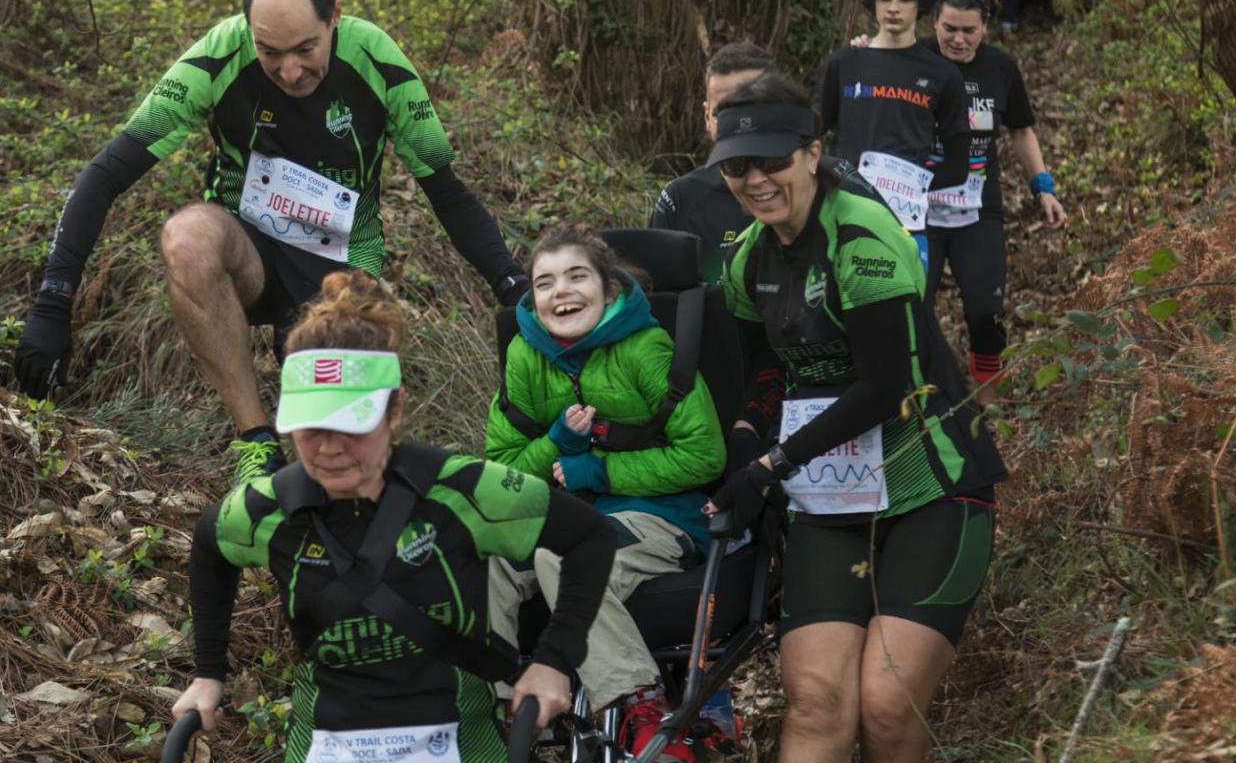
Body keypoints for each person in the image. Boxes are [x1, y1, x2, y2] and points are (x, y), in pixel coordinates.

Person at [13, 0, 529, 479]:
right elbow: (106, 173)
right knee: (187, 236)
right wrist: (54, 300)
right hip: (249, 248)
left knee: (335, 443)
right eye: (269, 52)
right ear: (247, 32)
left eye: (306, 48)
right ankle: (256, 443)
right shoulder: (220, 53)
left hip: (341, 260)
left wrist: (512, 285)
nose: (289, 70)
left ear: (335, 18)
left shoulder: (377, 57)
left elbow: (447, 192)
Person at [173, 271, 614, 761]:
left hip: (456, 741)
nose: (329, 448)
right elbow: (211, 542)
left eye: (351, 423)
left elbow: (590, 537)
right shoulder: (269, 508)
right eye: (311, 427)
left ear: (395, 410)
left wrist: (555, 659)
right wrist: (208, 672)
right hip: (325, 742)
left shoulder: (463, 489)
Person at [702, 72, 1007, 763]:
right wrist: (747, 441)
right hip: (831, 496)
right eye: (737, 168)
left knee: (887, 706)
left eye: (773, 161)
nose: (755, 181)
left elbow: (885, 386)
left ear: (812, 152)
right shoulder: (748, 260)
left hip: (931, 483)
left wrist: (775, 463)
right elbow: (767, 372)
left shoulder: (861, 235)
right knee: (816, 706)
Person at [485, 227, 726, 762]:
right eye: (544, 282)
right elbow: (500, 469)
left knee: (564, 557)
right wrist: (553, 443)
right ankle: (496, 712)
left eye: (576, 276)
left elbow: (705, 455)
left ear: (609, 289)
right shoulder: (526, 356)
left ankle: (640, 706)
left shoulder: (646, 347)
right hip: (562, 513)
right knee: (485, 558)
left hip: (657, 516)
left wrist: (598, 469)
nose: (560, 292)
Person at [921, 0, 1067, 396]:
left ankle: (990, 403)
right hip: (916, 211)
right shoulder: (913, 62)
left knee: (987, 312)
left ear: (985, 27)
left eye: (969, 31)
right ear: (934, 22)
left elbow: (1021, 131)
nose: (959, 39)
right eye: (950, 29)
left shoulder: (1000, 68)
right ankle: (924, 396)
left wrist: (1044, 188)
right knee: (913, 309)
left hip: (978, 211)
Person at [818, 0, 972, 269]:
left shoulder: (943, 75)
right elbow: (811, 138)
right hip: (841, 213)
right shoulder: (844, 63)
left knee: (903, 314)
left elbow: (958, 165)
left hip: (905, 224)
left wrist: (911, 184)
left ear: (922, 3)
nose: (893, 8)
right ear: (871, 0)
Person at [649, 42, 777, 283]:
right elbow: (660, 299)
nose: (740, 124)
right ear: (707, 116)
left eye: (751, 108)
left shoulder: (819, 183)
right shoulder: (681, 199)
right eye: (724, 113)